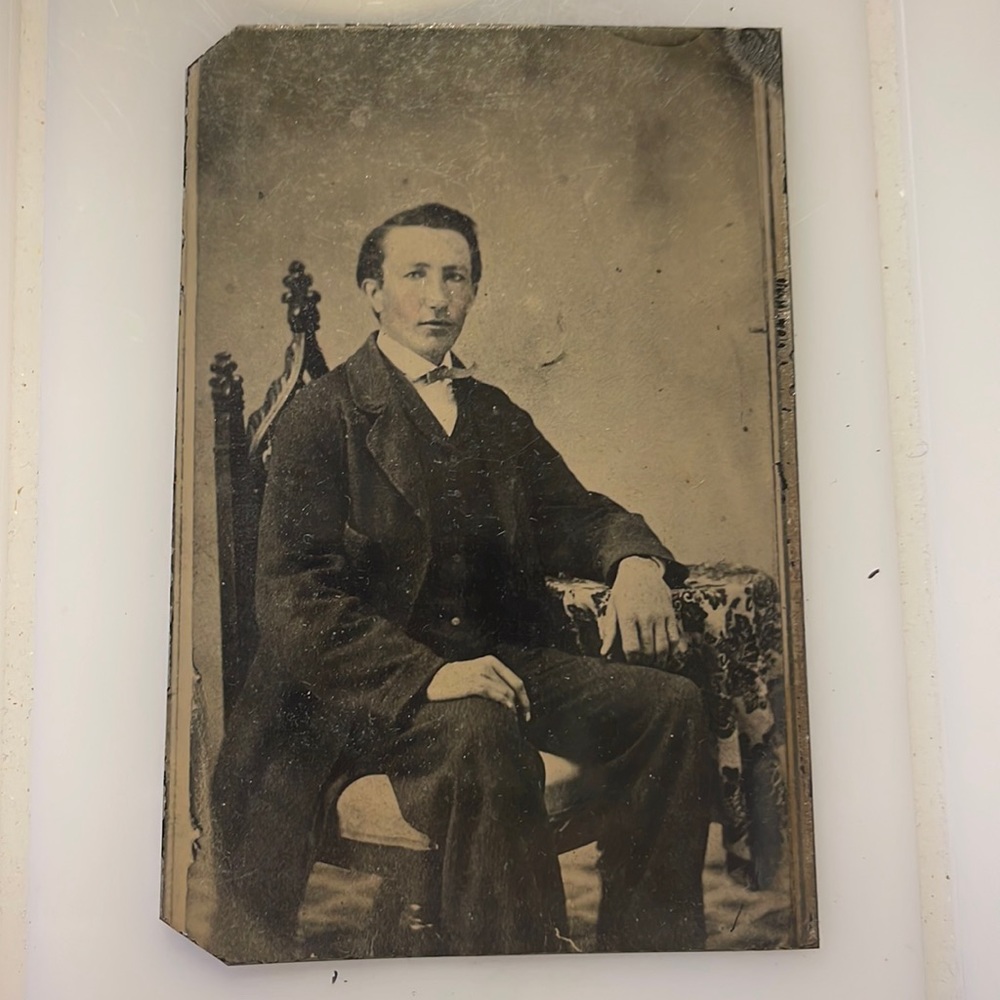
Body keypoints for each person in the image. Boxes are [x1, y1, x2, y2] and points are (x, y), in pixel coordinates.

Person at [211, 203, 712, 963]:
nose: (438, 296)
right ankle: (515, 969)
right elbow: (294, 597)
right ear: (373, 291)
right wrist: (430, 676)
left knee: (671, 708)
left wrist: (633, 562)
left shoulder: (492, 413)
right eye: (415, 275)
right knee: (482, 730)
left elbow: (574, 513)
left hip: (493, 658)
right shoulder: (323, 417)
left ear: (475, 291)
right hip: (360, 691)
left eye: (456, 276)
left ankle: (651, 960)